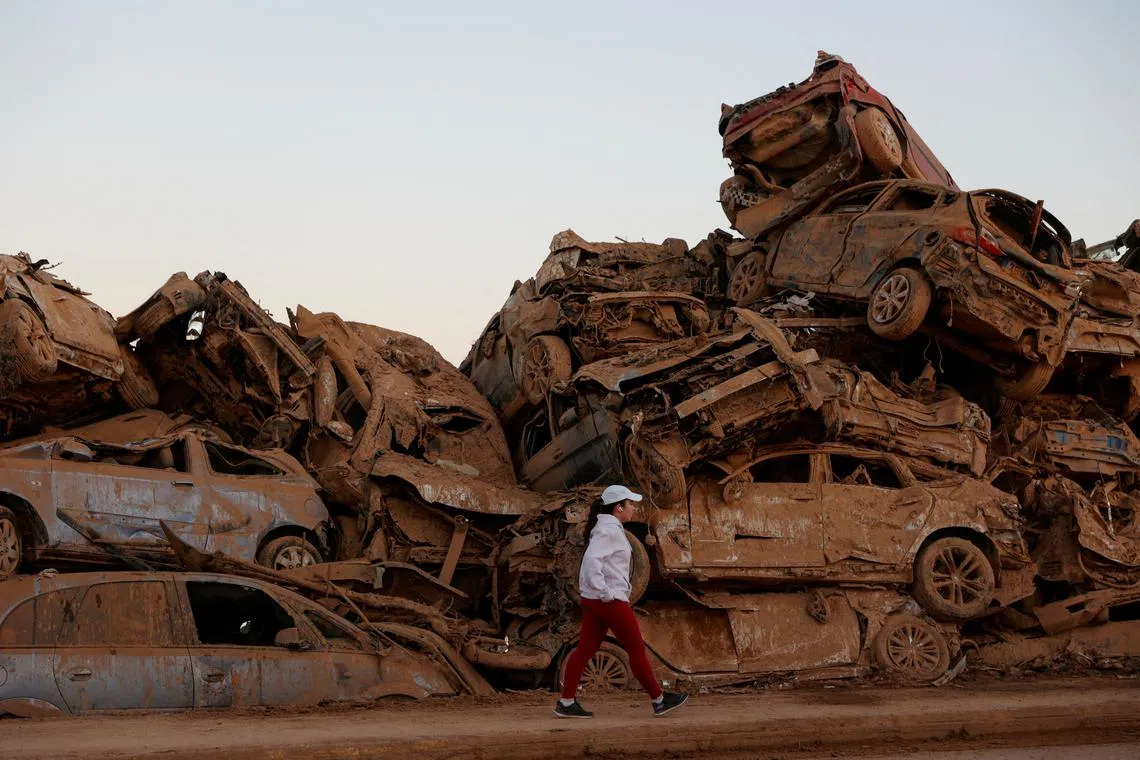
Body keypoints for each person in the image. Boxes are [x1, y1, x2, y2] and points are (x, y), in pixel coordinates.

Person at [554, 484, 689, 718]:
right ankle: (659, 700)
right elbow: (591, 562)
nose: (634, 509)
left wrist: (599, 592)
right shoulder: (609, 531)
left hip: (595, 600)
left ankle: (566, 703)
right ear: (618, 507)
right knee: (636, 648)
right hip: (608, 601)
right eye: (630, 504)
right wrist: (605, 593)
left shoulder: (607, 528)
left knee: (585, 649)